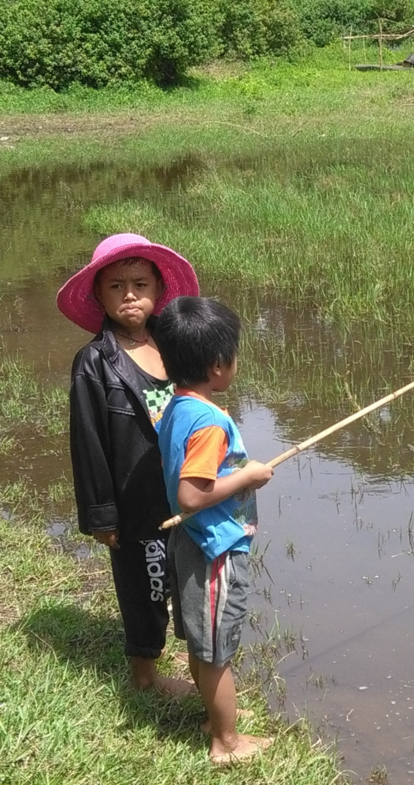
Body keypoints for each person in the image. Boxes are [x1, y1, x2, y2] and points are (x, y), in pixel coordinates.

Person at [57, 232, 200, 697]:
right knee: (144, 583)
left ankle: (195, 656)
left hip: (183, 489)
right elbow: (89, 443)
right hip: (134, 500)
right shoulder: (95, 362)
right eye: (116, 286)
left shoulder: (174, 344)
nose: (130, 295)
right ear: (98, 295)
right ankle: (144, 676)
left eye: (140, 283)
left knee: (185, 574)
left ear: (159, 289)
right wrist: (101, 515)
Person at [155, 296, 275, 765]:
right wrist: (247, 476)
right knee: (217, 650)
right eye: (235, 356)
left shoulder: (177, 405)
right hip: (214, 549)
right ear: (220, 365)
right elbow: (190, 494)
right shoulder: (208, 423)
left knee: (203, 643)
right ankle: (226, 742)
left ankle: (211, 716)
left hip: (191, 541)